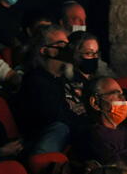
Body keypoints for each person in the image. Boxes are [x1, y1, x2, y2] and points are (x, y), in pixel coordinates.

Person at [14, 24, 84, 155]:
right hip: (50, 139)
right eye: (62, 45)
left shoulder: (69, 76)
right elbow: (55, 117)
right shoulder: (35, 80)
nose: (68, 49)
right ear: (45, 50)